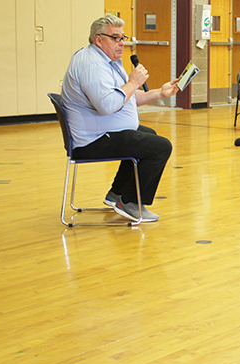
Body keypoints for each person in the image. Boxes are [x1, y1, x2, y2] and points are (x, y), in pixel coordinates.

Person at [61, 14, 177, 222]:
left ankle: (116, 194)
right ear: (98, 39)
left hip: (101, 131)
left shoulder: (107, 61)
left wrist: (161, 92)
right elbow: (107, 105)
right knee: (160, 147)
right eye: (115, 38)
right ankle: (130, 203)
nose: (121, 43)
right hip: (92, 140)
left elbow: (127, 99)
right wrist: (133, 82)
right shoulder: (92, 65)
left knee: (147, 135)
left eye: (123, 38)